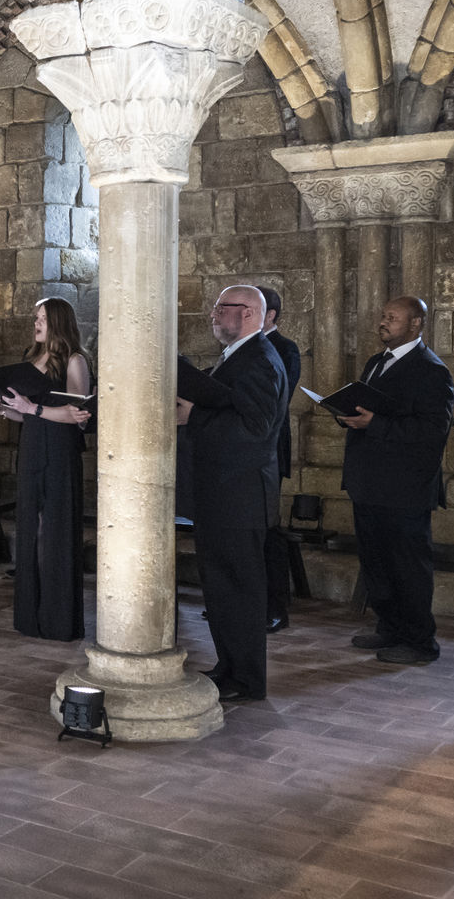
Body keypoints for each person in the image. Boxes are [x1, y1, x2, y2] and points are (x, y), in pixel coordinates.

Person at [177, 285, 286, 703]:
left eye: (222, 308)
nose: (213, 314)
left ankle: (247, 678)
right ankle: (230, 667)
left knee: (239, 590)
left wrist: (194, 416)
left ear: (250, 314)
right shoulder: (237, 357)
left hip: (239, 496)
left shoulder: (259, 359)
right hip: (221, 493)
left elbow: (255, 431)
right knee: (221, 589)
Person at [339, 296, 454, 665]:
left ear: (416, 323)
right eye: (383, 316)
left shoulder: (431, 370)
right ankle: (389, 627)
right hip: (369, 481)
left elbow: (434, 429)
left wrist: (375, 423)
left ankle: (420, 641)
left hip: (404, 486)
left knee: (408, 565)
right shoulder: (377, 362)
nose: (383, 322)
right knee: (377, 561)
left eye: (392, 317)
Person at [0, 297, 92, 641]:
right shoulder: (33, 359)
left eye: (42, 318)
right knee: (30, 527)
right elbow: (24, 412)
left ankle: (58, 619)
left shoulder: (75, 361)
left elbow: (77, 415)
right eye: (35, 318)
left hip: (60, 450)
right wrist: (3, 408)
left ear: (59, 321)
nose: (36, 323)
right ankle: (31, 616)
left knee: (56, 531)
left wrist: (33, 409)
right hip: (32, 446)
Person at [260, 287, 301, 633]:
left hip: (269, 449)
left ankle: (275, 607)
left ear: (270, 314)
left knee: (268, 529)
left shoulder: (285, 349)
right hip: (242, 454)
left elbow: (276, 400)